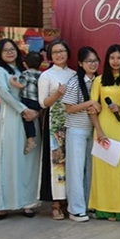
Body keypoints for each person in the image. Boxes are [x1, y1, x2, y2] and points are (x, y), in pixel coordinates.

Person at [0, 39, 42, 219]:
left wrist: (36, 111)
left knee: (28, 161)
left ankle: (28, 202)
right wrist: (23, 110)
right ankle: (4, 204)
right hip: (12, 118)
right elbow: (4, 94)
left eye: (12, 49)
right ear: (0, 54)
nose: (10, 53)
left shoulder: (24, 71)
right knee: (9, 161)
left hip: (30, 118)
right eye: (5, 50)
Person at [89, 44, 120, 221]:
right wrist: (99, 130)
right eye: (112, 58)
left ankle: (119, 209)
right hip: (103, 128)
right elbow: (92, 108)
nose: (115, 61)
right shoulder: (98, 80)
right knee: (103, 168)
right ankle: (102, 208)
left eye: (119, 58)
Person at [37, 38, 76, 220]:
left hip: (74, 123)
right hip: (55, 124)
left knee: (72, 163)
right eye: (55, 52)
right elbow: (43, 103)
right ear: (51, 56)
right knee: (57, 163)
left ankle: (71, 200)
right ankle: (56, 202)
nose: (59, 54)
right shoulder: (46, 75)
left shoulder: (75, 74)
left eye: (62, 51)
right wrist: (58, 94)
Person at [63, 47, 100, 222]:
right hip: (76, 130)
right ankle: (75, 209)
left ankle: (88, 205)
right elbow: (69, 108)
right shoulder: (74, 82)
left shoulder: (99, 81)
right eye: (88, 61)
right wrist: (90, 103)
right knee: (76, 171)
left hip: (94, 131)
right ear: (80, 63)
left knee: (91, 170)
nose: (92, 64)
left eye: (95, 61)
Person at [9, 51, 43, 155]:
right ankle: (32, 139)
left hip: (27, 99)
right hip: (37, 101)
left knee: (27, 119)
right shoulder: (42, 74)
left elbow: (21, 85)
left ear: (25, 63)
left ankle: (30, 140)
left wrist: (12, 81)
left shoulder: (25, 73)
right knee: (32, 120)